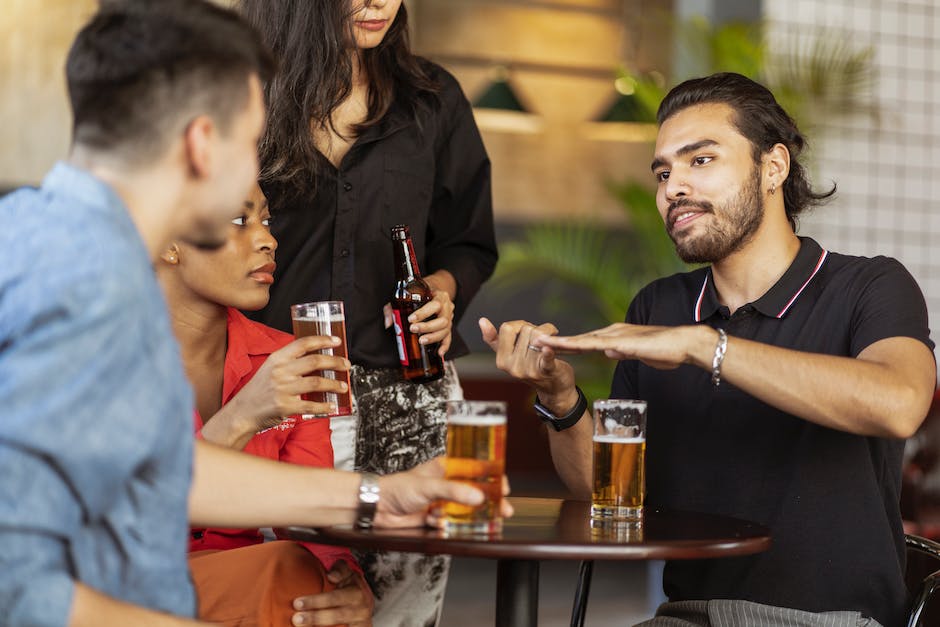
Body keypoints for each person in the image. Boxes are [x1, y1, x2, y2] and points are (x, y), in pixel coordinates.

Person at [0, 2, 495, 626]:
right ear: (204, 142)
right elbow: (22, 589)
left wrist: (378, 496)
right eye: (251, 143)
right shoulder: (72, 281)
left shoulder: (77, 252)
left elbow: (165, 474)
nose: (264, 187)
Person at [482, 72, 935, 627]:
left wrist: (705, 346)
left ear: (773, 167)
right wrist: (559, 396)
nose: (672, 187)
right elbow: (609, 495)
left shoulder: (868, 286)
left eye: (701, 161)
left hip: (833, 620)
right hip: (685, 617)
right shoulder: (658, 307)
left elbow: (900, 403)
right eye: (663, 171)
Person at [236, 1, 498, 623]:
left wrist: (442, 286)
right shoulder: (240, 96)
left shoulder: (433, 100)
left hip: (414, 400)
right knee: (300, 599)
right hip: (282, 397)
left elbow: (469, 240)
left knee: (405, 613)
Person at [157, 183, 373, 626]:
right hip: (122, 582)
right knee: (284, 575)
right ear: (169, 243)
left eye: (267, 220)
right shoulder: (100, 355)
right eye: (240, 220)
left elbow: (309, 513)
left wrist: (344, 581)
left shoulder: (285, 357)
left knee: (311, 593)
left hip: (252, 591)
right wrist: (243, 415)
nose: (268, 240)